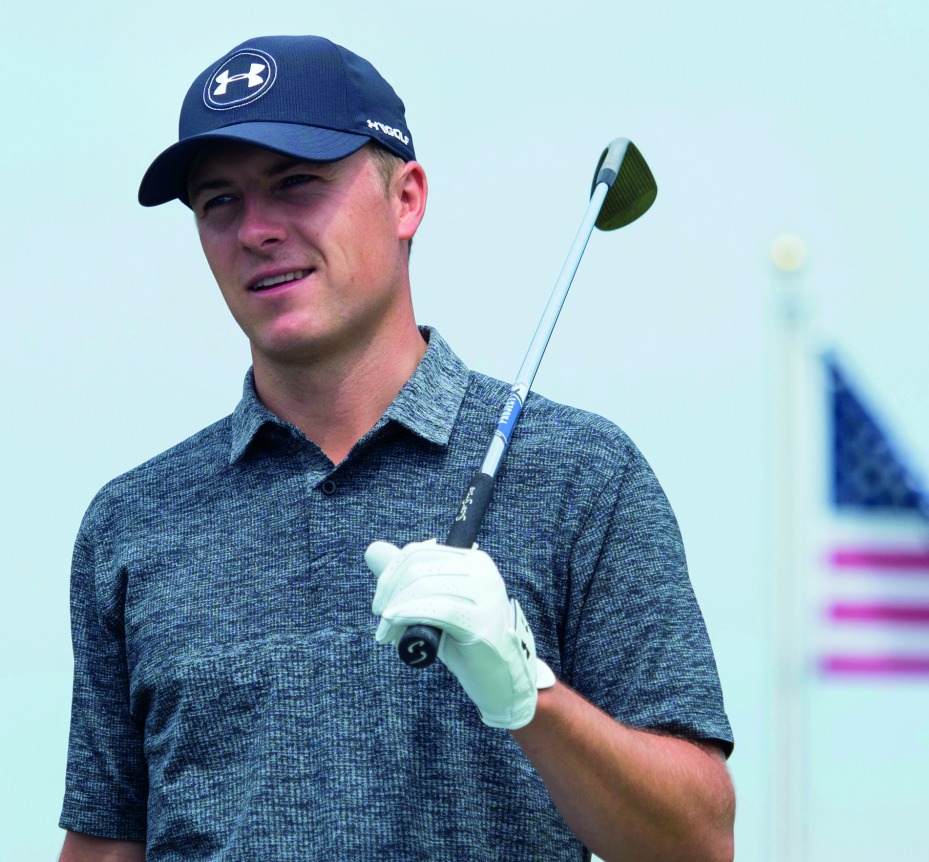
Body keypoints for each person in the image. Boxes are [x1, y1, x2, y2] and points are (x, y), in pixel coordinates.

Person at [59, 35, 734, 862]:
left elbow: (697, 840)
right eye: (218, 202)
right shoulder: (133, 522)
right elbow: (106, 844)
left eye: (296, 183)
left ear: (406, 198)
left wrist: (532, 694)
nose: (255, 230)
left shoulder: (579, 474)